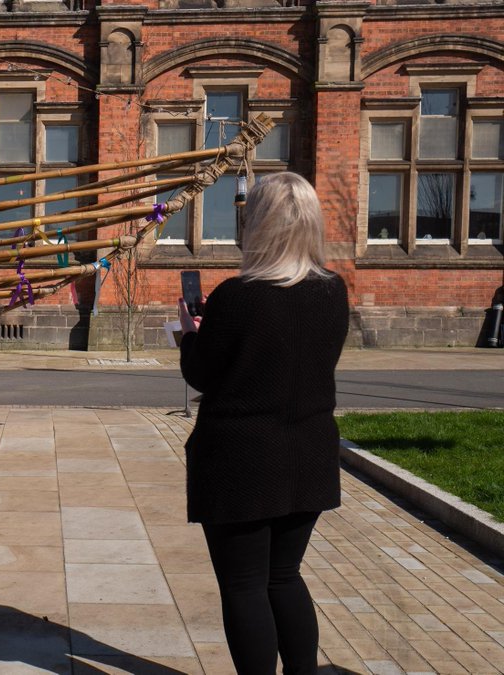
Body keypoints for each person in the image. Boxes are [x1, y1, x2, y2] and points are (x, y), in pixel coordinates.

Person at [177, 172, 349, 675]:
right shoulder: (334, 291)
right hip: (310, 454)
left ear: (258, 226)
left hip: (243, 461)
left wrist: (191, 335)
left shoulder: (239, 296)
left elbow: (204, 373)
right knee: (284, 577)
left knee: (245, 585)